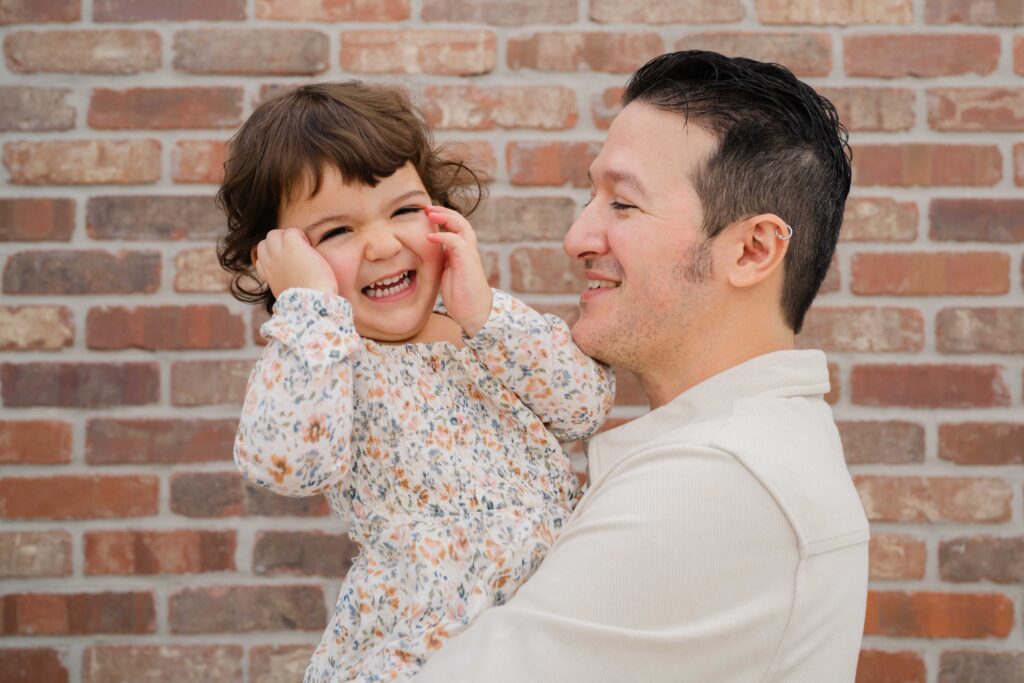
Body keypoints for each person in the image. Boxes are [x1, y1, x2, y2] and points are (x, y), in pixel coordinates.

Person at [414, 50, 869, 682]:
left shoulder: (710, 480)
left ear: (751, 250)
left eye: (623, 204)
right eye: (591, 196)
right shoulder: (757, 449)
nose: (577, 238)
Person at [216, 82, 615, 682]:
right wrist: (309, 306)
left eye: (404, 210)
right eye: (336, 232)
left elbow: (583, 407)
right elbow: (289, 465)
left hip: (556, 616)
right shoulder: (326, 359)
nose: (384, 244)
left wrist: (484, 312)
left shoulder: (485, 332)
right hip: (427, 647)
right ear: (280, 259)